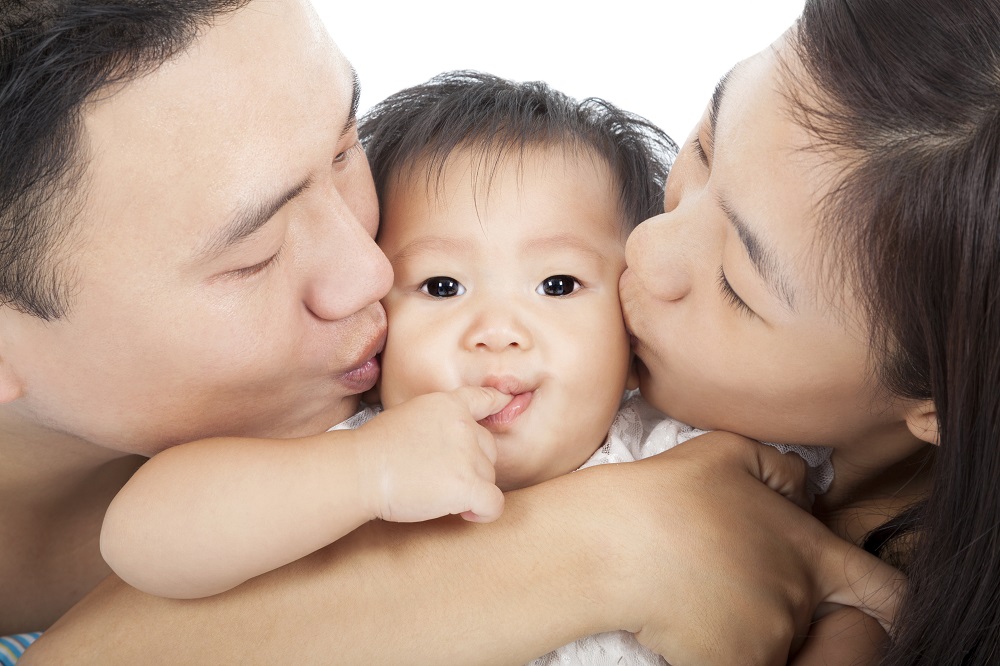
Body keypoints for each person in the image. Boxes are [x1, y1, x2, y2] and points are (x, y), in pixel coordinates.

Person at [13, 0, 982, 663]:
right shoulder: (387, 414)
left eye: (344, 145)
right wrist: (616, 541)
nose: (373, 269)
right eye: (253, 252)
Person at [97, 70, 840, 664]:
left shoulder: (693, 456)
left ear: (630, 319)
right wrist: (364, 471)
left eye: (557, 285)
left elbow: (835, 593)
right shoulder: (349, 449)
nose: (497, 333)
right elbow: (141, 539)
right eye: (441, 286)